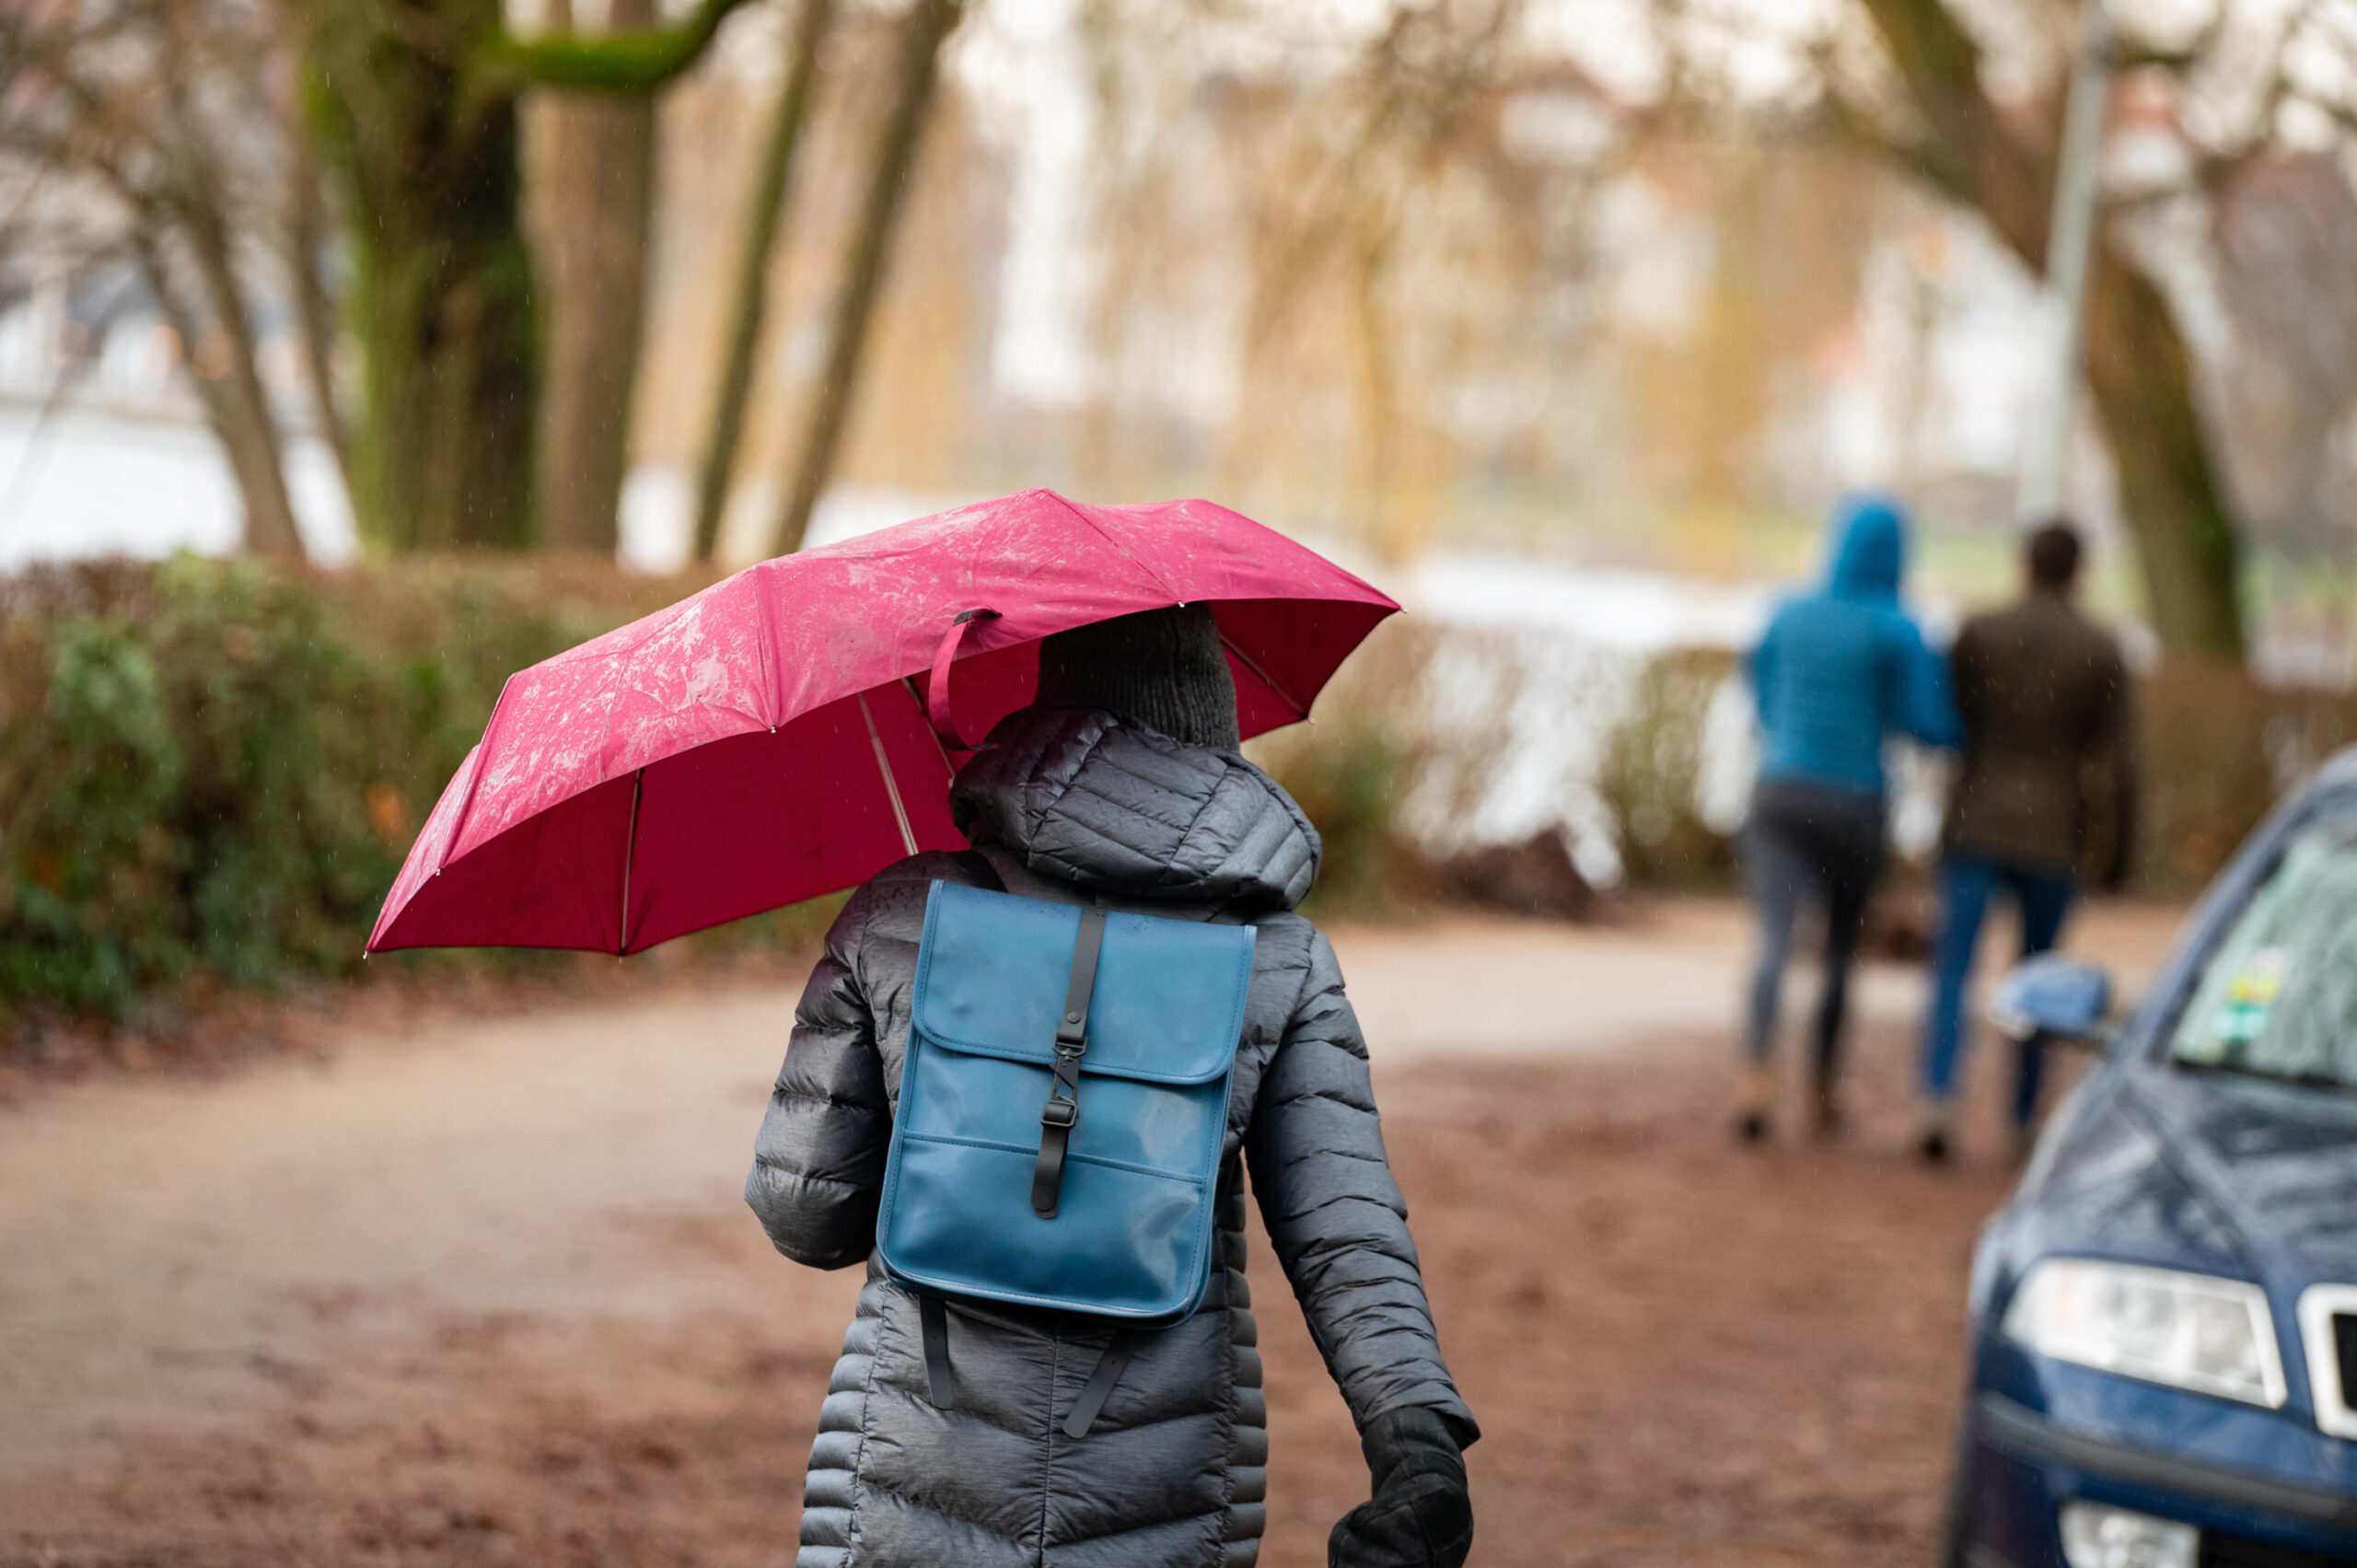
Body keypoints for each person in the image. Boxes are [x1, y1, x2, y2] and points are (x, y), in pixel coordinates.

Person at [746, 603, 1478, 1568]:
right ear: (1216, 735)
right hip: (1164, 1492)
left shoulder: (903, 911)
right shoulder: (1280, 960)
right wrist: (1413, 1438)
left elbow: (807, 1215)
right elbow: (1345, 1228)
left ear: (1053, 710)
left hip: (911, 1474)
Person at [1738, 495, 1959, 1142]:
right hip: (1856, 803)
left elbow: (1756, 690)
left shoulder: (1786, 610)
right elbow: (1929, 725)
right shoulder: (1897, 626)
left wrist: (1787, 735)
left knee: (1773, 944)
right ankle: (1820, 1089)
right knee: (1838, 953)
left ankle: (1755, 1077)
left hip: (1781, 791)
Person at [1917, 521, 2133, 1163]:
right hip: (2054, 831)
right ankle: (2019, 1120)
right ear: (2078, 573)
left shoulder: (1979, 631)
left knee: (1954, 970)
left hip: (1976, 820)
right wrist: (2117, 856)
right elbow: (2120, 763)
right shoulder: (2100, 647)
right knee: (2040, 983)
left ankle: (1936, 1099)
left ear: (2023, 565)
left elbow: (1946, 722)